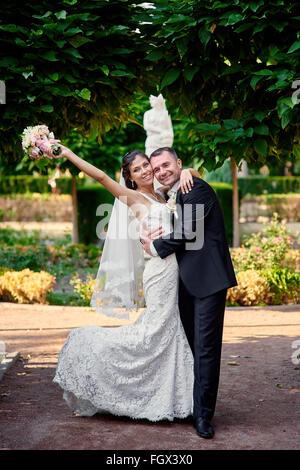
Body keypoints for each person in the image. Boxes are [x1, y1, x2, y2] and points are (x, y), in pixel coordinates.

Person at [45, 142, 201, 423]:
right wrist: (68, 154)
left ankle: (178, 399)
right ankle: (86, 345)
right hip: (160, 272)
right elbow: (102, 178)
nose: (144, 171)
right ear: (129, 177)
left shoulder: (162, 194)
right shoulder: (134, 198)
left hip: (175, 271)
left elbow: (183, 178)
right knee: (154, 333)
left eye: (146, 166)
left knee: (170, 332)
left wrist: (188, 170)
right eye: (136, 169)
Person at [140, 147, 238, 439]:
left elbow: (187, 233)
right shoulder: (176, 192)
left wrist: (154, 248)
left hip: (208, 281)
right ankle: (192, 404)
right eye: (156, 169)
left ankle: (204, 417)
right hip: (185, 282)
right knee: (193, 347)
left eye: (166, 165)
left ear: (178, 164)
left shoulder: (195, 188)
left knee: (206, 350)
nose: (161, 172)